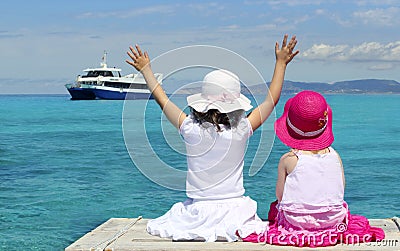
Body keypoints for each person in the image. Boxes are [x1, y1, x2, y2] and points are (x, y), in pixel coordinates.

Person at [125, 35, 299, 242]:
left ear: (202, 100)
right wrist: (281, 63)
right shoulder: (241, 129)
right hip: (235, 211)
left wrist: (146, 70)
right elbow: (272, 100)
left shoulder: (190, 128)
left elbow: (162, 99)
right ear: (236, 103)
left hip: (197, 212)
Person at [241, 90, 385, 247]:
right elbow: (340, 189)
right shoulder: (335, 156)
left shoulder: (288, 160)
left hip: (297, 222)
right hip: (333, 220)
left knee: (274, 208)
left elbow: (280, 197)